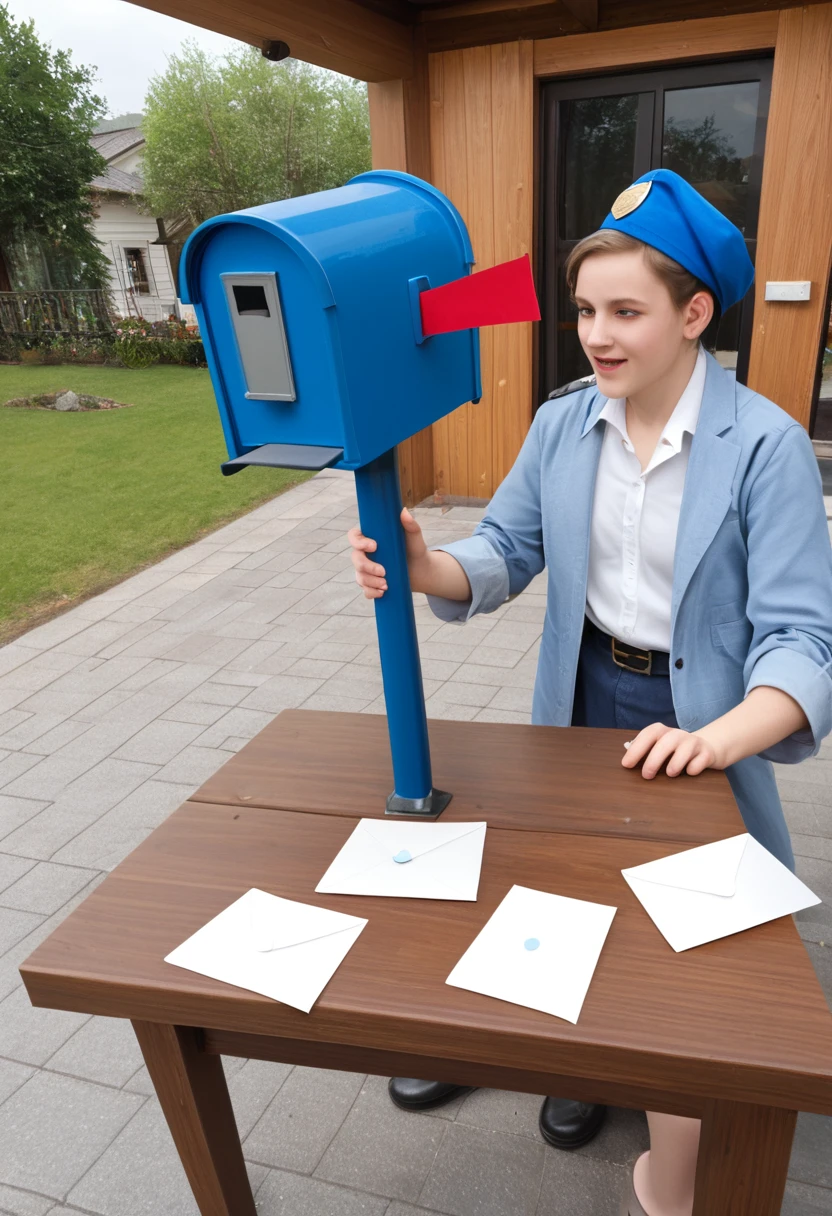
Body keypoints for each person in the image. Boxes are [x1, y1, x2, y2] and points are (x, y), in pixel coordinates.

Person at [347, 168, 832, 1216]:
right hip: (581, 690)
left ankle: (645, 1092)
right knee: (555, 882)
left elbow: (803, 641)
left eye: (625, 311)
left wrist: (716, 741)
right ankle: (565, 1060)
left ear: (694, 313)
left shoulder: (769, 448)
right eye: (582, 311)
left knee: (686, 942)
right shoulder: (567, 423)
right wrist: (426, 563)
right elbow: (508, 548)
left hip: (701, 722)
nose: (596, 335)